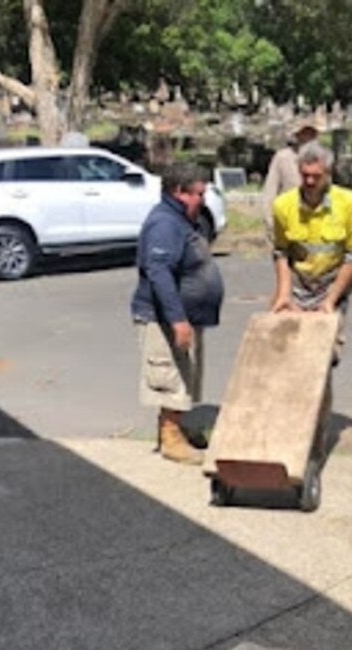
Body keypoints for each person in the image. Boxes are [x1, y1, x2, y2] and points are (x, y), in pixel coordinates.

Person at [270, 140, 352, 452]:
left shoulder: (348, 203)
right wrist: (284, 294)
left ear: (328, 173)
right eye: (305, 175)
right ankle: (288, 425)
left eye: (317, 176)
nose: (310, 182)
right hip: (299, 286)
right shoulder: (283, 205)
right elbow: (281, 252)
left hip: (333, 287)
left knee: (322, 361)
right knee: (289, 359)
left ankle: (316, 432)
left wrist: (329, 302)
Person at [131, 162, 224, 466]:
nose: (204, 198)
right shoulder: (164, 224)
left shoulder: (184, 219)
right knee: (169, 377)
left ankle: (178, 427)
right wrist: (177, 319)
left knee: (185, 373)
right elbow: (158, 271)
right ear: (179, 192)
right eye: (199, 193)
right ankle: (171, 439)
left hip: (188, 314)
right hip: (165, 318)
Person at [261, 117, 319, 235]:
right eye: (304, 133)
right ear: (297, 136)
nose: (308, 137)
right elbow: (270, 193)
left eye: (311, 133)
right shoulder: (283, 158)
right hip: (288, 223)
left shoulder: (323, 158)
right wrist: (270, 224)